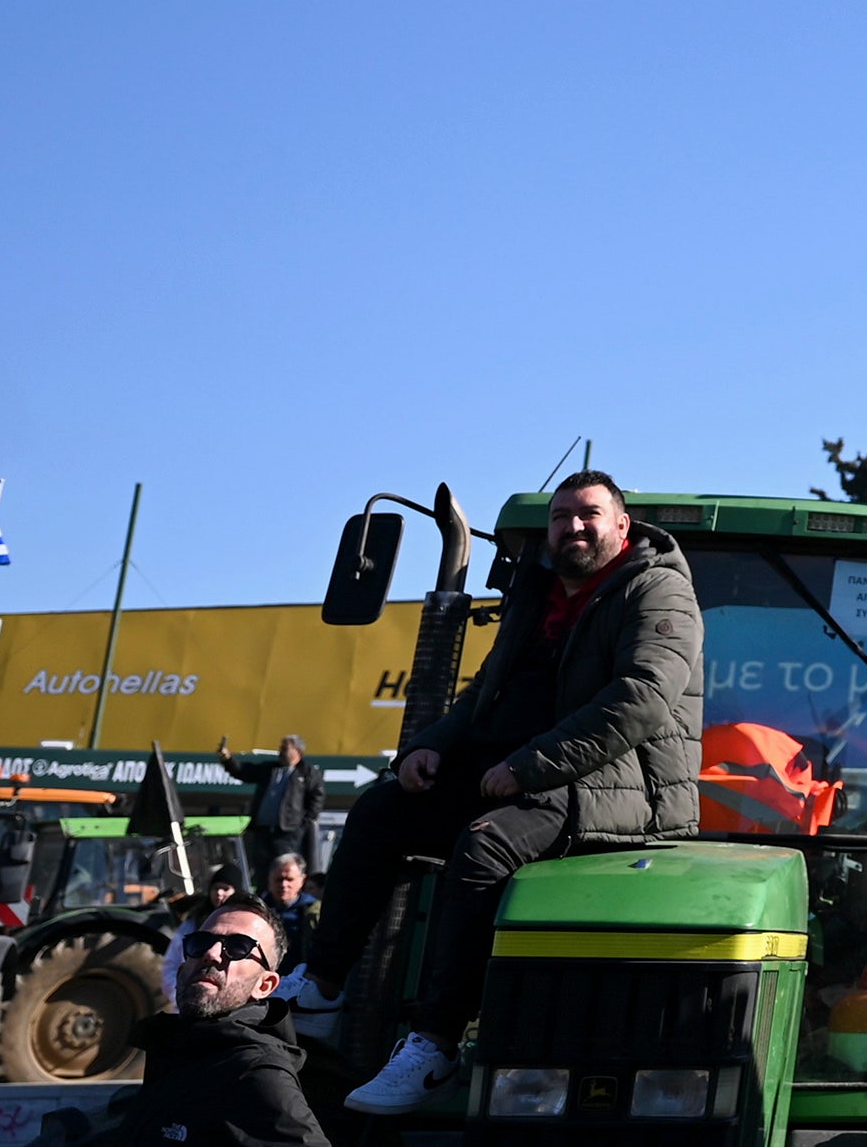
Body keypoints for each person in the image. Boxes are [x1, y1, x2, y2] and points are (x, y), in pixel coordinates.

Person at [283, 473, 702, 1112]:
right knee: (382, 809)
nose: (574, 527)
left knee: (481, 848)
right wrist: (431, 745)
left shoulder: (656, 589)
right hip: (517, 772)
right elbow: (485, 693)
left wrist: (530, 766)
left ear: (623, 526)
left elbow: (641, 699)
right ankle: (324, 986)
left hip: (611, 783)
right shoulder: (536, 597)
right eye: (562, 517)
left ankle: (434, 1044)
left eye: (590, 514)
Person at [66, 898, 323, 1147]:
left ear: (265, 985)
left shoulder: (255, 1072)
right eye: (201, 942)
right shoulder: (178, 1048)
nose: (211, 954)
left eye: (237, 947)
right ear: (180, 968)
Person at [230, 734, 322, 882]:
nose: (280, 751)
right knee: (261, 870)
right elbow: (244, 771)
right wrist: (229, 760)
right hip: (263, 831)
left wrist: (301, 824)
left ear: (297, 751)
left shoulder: (307, 773)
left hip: (287, 834)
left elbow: (316, 800)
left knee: (283, 869)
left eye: (285, 748)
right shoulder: (270, 769)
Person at [259, 849, 318, 963]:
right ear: (269, 879)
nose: (284, 885)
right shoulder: (257, 910)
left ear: (302, 880)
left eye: (289, 879)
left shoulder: (313, 911)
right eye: (279, 880)